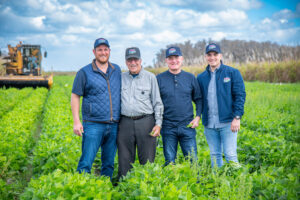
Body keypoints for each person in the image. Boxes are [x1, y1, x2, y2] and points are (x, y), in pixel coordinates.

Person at [71, 38, 121, 178]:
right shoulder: (84, 72)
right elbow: (75, 96)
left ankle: (105, 190)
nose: (103, 52)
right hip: (93, 124)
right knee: (86, 162)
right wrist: (76, 121)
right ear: (94, 52)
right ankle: (81, 188)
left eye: (105, 49)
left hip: (114, 125)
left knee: (109, 163)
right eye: (100, 50)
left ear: (109, 51)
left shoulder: (116, 70)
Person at [197, 43, 246, 168]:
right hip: (209, 124)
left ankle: (237, 181)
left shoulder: (232, 73)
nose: (212, 57)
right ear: (206, 57)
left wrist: (237, 117)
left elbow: (240, 96)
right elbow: (199, 99)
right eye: (209, 55)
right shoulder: (201, 77)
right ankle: (218, 183)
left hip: (228, 123)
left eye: (215, 54)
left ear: (220, 55)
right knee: (215, 155)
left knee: (230, 155)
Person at [117, 47, 163, 179]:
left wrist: (158, 124)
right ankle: (125, 186)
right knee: (124, 158)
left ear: (140, 60)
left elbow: (158, 103)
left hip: (146, 121)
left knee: (147, 159)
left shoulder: (150, 77)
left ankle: (147, 186)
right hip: (125, 122)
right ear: (126, 62)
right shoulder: (121, 78)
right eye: (129, 60)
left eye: (135, 59)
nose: (133, 63)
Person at [156, 46, 202, 166]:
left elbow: (198, 99)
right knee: (170, 161)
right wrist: (157, 124)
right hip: (168, 127)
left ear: (181, 59)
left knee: (193, 161)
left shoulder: (190, 78)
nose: (173, 61)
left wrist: (197, 117)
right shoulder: (159, 79)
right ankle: (171, 182)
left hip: (187, 126)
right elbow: (154, 103)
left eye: (176, 57)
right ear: (166, 60)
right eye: (170, 58)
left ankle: (195, 182)